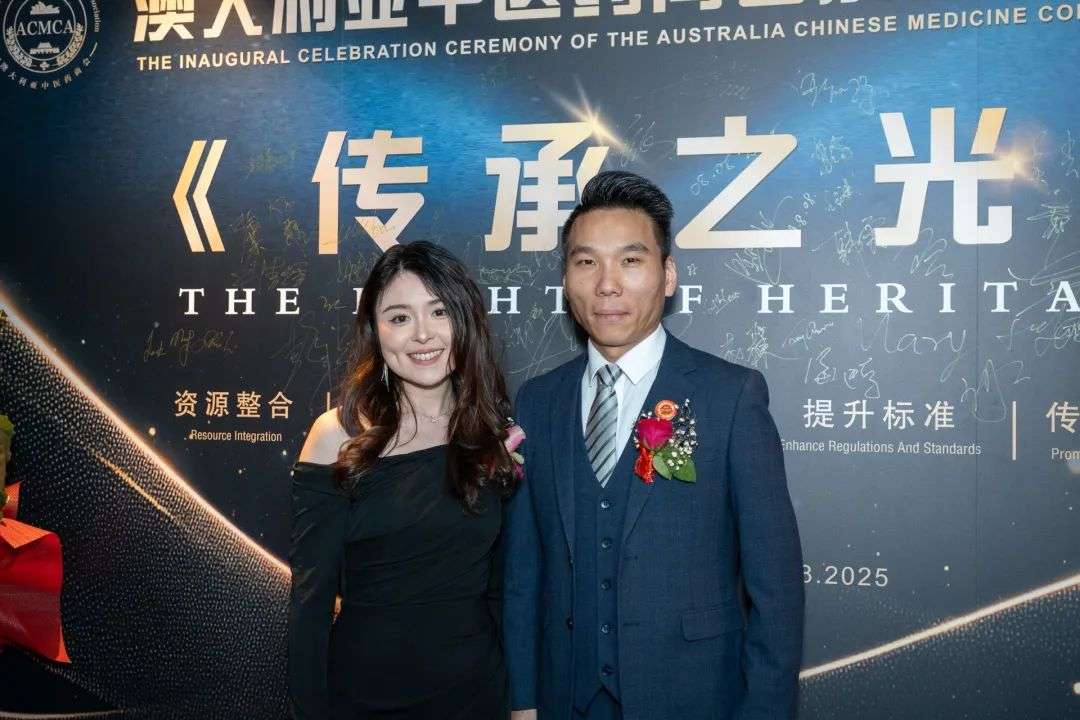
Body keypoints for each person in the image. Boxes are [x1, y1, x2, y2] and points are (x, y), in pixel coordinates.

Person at [503, 171, 804, 720]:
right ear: (566, 279)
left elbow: (776, 587)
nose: (607, 284)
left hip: (692, 696)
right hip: (565, 697)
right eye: (586, 262)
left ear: (667, 276)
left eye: (630, 260)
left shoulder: (729, 396)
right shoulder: (538, 401)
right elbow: (523, 572)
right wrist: (523, 699)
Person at [288, 241, 518, 720]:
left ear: (466, 320)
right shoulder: (338, 435)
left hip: (476, 695)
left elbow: (503, 592)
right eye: (399, 317)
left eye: (439, 312)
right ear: (375, 331)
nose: (422, 334)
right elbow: (310, 605)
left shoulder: (493, 435)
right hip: (363, 698)